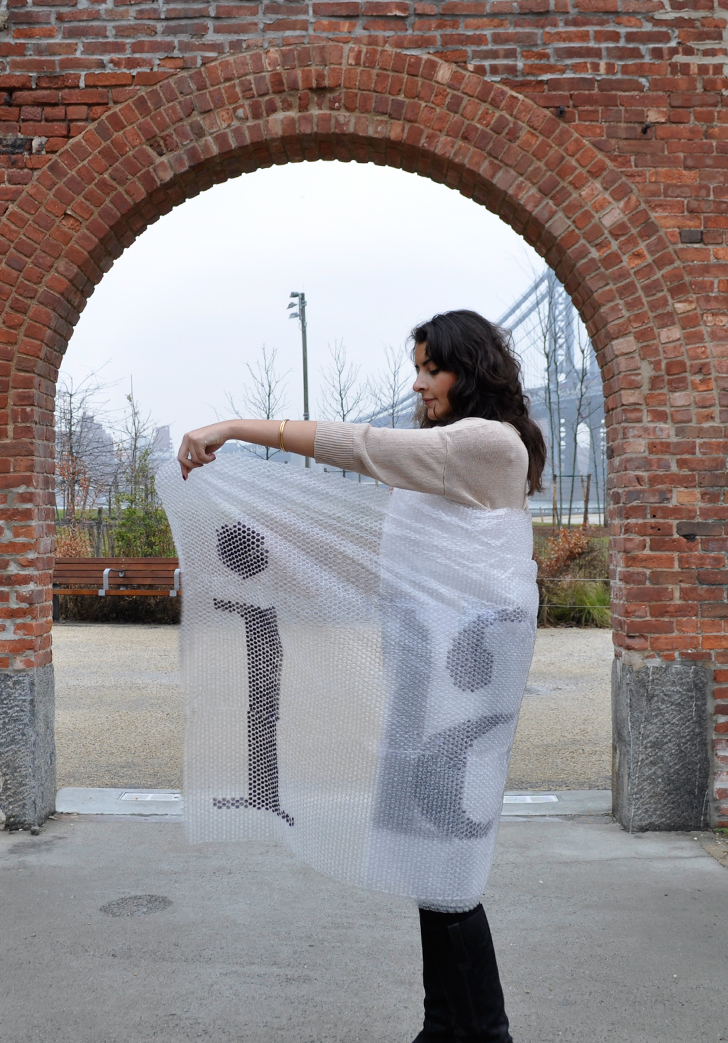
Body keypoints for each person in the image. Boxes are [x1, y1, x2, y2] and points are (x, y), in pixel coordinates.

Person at [178, 309, 546, 1043]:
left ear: (471, 370)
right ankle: (442, 1024)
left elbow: (361, 446)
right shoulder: (451, 450)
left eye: (433, 369)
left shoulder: (484, 443)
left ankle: (486, 1032)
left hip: (460, 695)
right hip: (431, 683)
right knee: (428, 863)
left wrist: (235, 427)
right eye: (418, 368)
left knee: (450, 868)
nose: (418, 384)